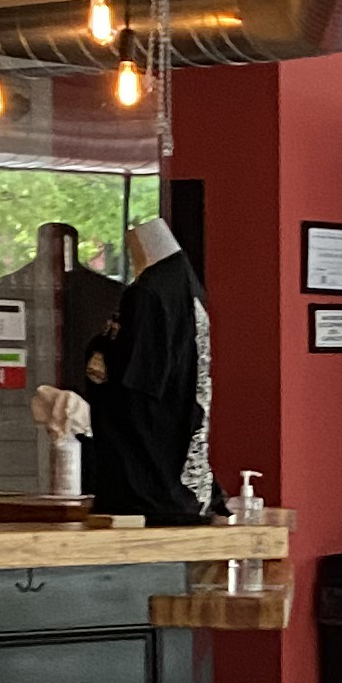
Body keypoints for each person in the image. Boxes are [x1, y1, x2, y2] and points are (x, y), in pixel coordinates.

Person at [81, 217, 213, 525]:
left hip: (147, 483)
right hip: (182, 468)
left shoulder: (149, 295)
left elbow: (136, 381)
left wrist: (99, 359)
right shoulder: (186, 286)